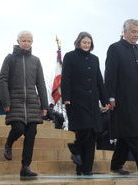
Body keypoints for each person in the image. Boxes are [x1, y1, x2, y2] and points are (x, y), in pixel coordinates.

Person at [0, 30, 48, 177]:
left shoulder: (36, 61)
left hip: (32, 103)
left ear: (32, 42)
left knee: (31, 134)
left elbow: (41, 83)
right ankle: (8, 143)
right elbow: (2, 80)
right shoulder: (10, 59)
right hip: (15, 102)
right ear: (18, 41)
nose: (26, 43)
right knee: (18, 129)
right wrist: (5, 101)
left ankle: (25, 167)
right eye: (23, 40)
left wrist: (44, 105)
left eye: (29, 41)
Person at [61, 32, 109, 175]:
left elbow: (99, 81)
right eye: (84, 42)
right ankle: (75, 148)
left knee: (93, 134)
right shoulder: (69, 56)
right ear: (78, 43)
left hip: (92, 102)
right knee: (85, 130)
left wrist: (104, 100)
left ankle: (85, 169)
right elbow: (66, 78)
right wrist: (66, 97)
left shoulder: (95, 59)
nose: (87, 45)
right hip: (76, 101)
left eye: (89, 43)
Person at [105, 19, 138, 175]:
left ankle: (116, 165)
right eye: (133, 31)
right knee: (133, 133)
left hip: (136, 99)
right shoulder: (115, 48)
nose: (136, 35)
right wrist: (110, 97)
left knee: (126, 135)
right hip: (122, 99)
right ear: (124, 31)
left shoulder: (137, 49)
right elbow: (110, 74)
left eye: (137, 32)